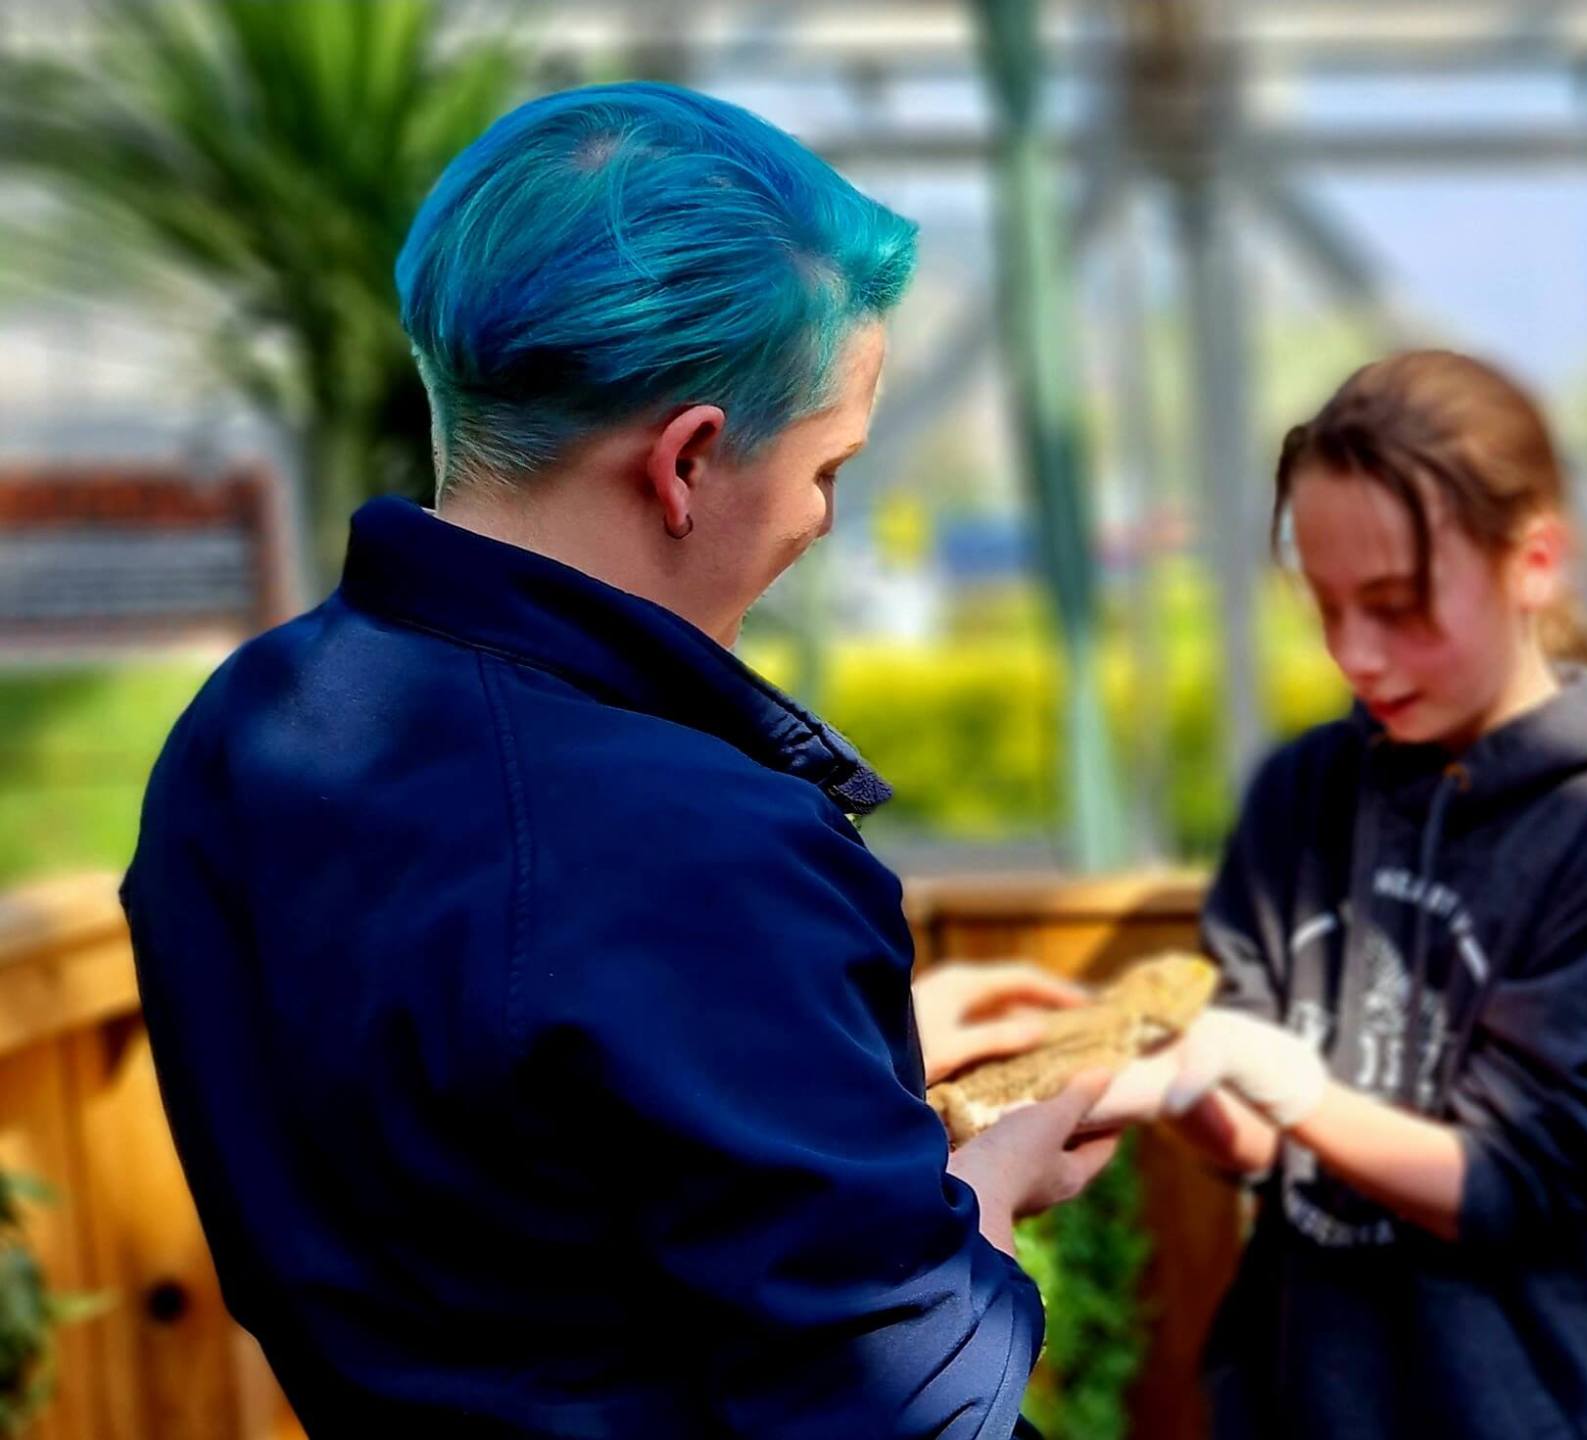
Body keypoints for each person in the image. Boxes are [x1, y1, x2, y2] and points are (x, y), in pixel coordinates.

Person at [120, 82, 1117, 1438]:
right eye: (828, 467)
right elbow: (897, 1398)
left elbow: (496, 1136)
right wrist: (986, 1192)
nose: (824, 520)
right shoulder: (693, 840)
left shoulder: (238, 737)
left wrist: (844, 1071)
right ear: (689, 461)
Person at [1160, 350, 1587, 1439]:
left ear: (1534, 561)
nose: (1356, 657)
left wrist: (1295, 1093)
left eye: (1397, 605)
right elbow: (1250, 1141)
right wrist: (1168, 1078)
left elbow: (1513, 1181)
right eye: (1327, 608)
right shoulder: (1305, 793)